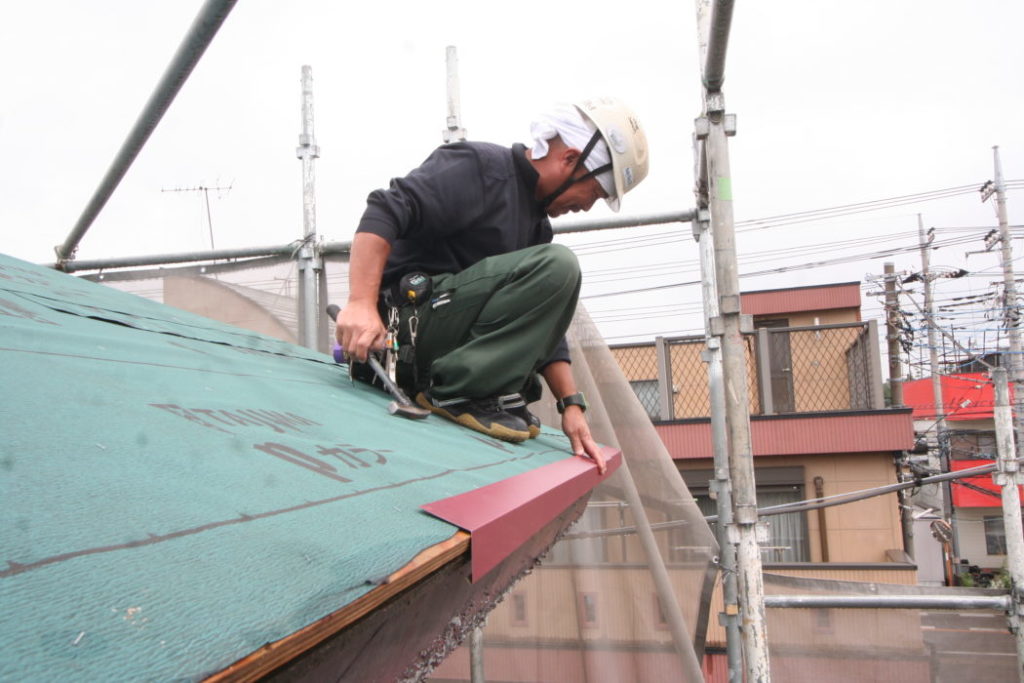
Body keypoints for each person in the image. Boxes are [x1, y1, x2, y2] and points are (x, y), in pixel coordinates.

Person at [335, 97, 649, 475]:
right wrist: (360, 304)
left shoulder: (536, 226)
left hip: (440, 334)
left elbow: (546, 328)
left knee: (551, 276)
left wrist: (572, 405)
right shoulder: (481, 168)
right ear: (569, 159)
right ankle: (456, 389)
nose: (586, 206)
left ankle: (479, 390)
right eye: (593, 193)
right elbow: (385, 210)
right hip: (404, 334)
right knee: (559, 266)